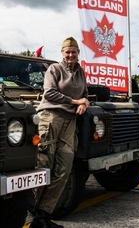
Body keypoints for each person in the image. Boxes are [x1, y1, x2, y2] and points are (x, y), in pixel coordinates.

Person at [28, 36, 90, 228]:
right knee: (44, 165)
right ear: (62, 53)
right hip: (51, 118)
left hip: (70, 122)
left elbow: (85, 94)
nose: (70, 55)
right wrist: (75, 102)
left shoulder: (81, 72)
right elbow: (49, 93)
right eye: (67, 52)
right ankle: (31, 215)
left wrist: (85, 103)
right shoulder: (55, 69)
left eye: (74, 51)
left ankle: (43, 215)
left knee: (63, 170)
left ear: (78, 53)